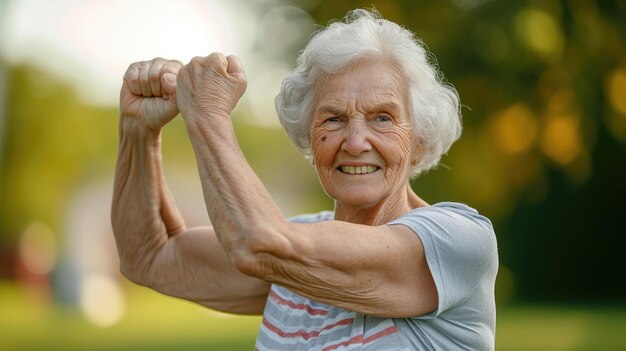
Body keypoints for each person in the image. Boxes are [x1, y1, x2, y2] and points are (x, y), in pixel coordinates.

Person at [111, 9, 498, 350]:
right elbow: (149, 257)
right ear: (308, 139)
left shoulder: (457, 241)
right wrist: (138, 131)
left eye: (382, 117)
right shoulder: (295, 252)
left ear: (418, 140)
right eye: (333, 118)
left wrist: (208, 113)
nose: (356, 141)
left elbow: (260, 244)